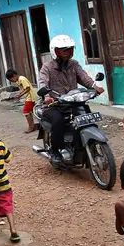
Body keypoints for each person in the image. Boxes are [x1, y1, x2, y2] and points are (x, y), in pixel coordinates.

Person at [38, 35, 104, 164]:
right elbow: (42, 82)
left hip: (74, 102)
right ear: (55, 51)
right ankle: (56, 151)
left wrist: (95, 86)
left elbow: (84, 77)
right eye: (63, 50)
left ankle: (88, 143)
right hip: (54, 105)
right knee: (58, 121)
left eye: (69, 49)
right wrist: (47, 97)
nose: (67, 52)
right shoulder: (47, 67)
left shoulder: (74, 64)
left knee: (88, 117)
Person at [5, 68, 38, 133]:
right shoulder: (19, 80)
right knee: (30, 112)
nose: (12, 81)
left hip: (30, 97)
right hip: (28, 97)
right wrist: (19, 94)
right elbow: (24, 89)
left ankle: (31, 127)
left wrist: (20, 95)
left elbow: (27, 88)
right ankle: (32, 125)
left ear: (14, 75)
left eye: (11, 79)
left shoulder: (22, 79)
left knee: (26, 111)